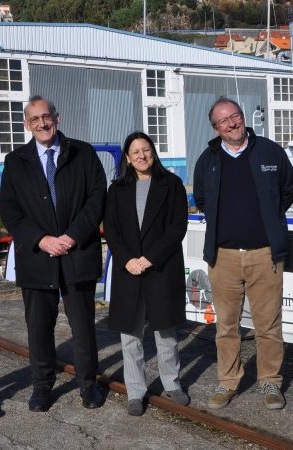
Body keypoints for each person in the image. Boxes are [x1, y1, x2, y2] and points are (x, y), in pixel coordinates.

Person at [0, 96, 107, 412]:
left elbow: (97, 198)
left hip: (77, 252)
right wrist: (41, 239)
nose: (42, 124)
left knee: (84, 327)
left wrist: (72, 236)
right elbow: (9, 208)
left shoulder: (83, 153)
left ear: (57, 118)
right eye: (34, 119)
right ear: (26, 125)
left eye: (46, 117)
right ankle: (42, 387)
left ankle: (88, 384)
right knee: (39, 327)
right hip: (37, 257)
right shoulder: (15, 161)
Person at [193, 97, 293, 410]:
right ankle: (227, 383)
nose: (232, 123)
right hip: (223, 257)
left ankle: (270, 382)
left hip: (264, 254)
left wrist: (267, 218)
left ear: (243, 117)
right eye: (224, 120)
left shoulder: (269, 151)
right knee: (226, 326)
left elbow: (288, 191)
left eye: (235, 116)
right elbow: (201, 200)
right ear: (216, 128)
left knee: (268, 324)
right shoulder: (207, 160)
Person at [103, 132, 190, 416]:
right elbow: (112, 230)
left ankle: (172, 383)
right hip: (129, 270)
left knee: (166, 331)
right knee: (131, 335)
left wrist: (149, 258)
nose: (141, 155)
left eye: (146, 149)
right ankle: (135, 391)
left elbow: (177, 227)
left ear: (153, 152)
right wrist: (128, 259)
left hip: (161, 267)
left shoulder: (172, 184)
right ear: (127, 158)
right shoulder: (116, 189)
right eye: (135, 151)